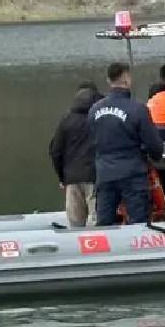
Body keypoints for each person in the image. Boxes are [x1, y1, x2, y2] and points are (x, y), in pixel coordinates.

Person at [89, 62, 164, 226]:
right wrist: (156, 156)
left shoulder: (94, 110)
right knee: (138, 222)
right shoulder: (137, 109)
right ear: (127, 79)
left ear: (109, 80)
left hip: (104, 173)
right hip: (132, 174)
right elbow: (154, 145)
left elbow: (91, 141)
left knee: (105, 221)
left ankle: (105, 249)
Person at [48, 82, 104, 227]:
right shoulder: (100, 120)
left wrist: (62, 177)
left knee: (75, 223)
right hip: (94, 176)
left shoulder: (66, 120)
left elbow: (55, 150)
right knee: (96, 220)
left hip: (71, 178)